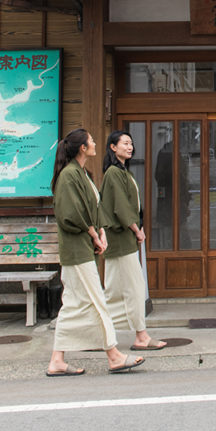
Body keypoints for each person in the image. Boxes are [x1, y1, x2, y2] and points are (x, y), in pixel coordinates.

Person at [47, 128, 144, 376]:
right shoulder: (69, 175)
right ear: (82, 148)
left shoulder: (82, 173)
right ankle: (114, 355)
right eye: (91, 140)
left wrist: (99, 232)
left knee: (73, 304)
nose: (94, 143)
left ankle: (57, 360)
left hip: (82, 249)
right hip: (76, 250)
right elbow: (71, 213)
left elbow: (94, 207)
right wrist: (93, 233)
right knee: (96, 301)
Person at [101, 130, 166, 351]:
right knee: (132, 288)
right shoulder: (113, 173)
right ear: (113, 146)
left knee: (118, 289)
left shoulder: (122, 172)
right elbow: (121, 207)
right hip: (121, 239)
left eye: (131, 143)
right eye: (125, 143)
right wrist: (136, 229)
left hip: (123, 238)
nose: (130, 147)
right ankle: (140, 336)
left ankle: (104, 334)